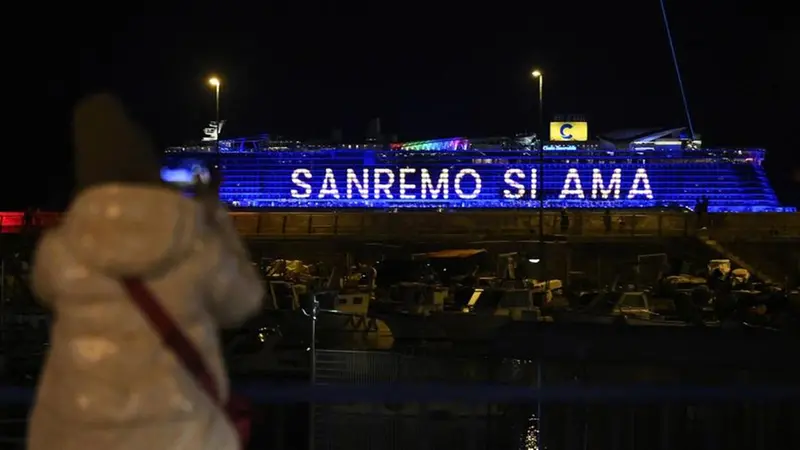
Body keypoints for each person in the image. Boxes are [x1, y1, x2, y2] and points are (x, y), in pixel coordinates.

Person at [27, 94, 264, 450]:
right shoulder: (193, 240)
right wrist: (216, 218)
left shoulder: (60, 251)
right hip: (181, 436)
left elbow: (41, 290)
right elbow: (245, 302)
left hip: (77, 435)